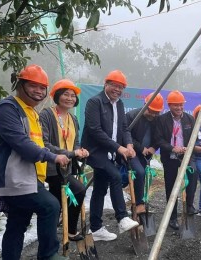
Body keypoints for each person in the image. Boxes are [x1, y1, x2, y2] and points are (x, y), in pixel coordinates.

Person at [0, 65, 70, 260]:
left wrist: (61, 154)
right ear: (19, 84)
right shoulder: (7, 109)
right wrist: (53, 157)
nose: (39, 91)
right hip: (13, 178)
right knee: (50, 206)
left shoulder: (32, 112)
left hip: (30, 177)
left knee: (17, 223)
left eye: (43, 88)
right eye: (33, 86)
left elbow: (39, 143)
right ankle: (48, 255)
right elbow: (22, 144)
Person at [81, 70, 139, 241]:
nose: (117, 89)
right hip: (95, 151)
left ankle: (96, 228)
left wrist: (128, 144)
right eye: (114, 85)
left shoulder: (119, 104)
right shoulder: (95, 102)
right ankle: (121, 218)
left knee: (99, 189)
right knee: (114, 176)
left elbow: (124, 128)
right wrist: (119, 148)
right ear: (106, 84)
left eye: (120, 87)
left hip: (111, 152)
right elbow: (94, 130)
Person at [39, 79, 90, 241]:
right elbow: (44, 143)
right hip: (51, 166)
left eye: (73, 95)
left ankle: (55, 233)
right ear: (57, 96)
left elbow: (75, 142)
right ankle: (68, 231)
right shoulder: (46, 115)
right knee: (79, 190)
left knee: (56, 200)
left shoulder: (72, 119)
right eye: (66, 94)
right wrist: (70, 153)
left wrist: (80, 151)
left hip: (66, 167)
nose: (70, 98)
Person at [154, 90, 198, 230]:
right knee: (171, 186)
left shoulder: (190, 119)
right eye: (175, 105)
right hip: (170, 157)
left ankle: (189, 205)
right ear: (169, 105)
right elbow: (158, 139)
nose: (179, 108)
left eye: (181, 105)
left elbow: (194, 137)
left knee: (193, 173)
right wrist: (172, 148)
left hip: (186, 155)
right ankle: (172, 217)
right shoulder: (162, 120)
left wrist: (187, 148)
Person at [126, 92, 164, 214]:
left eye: (156, 112)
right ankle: (138, 204)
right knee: (140, 172)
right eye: (151, 111)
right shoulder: (132, 116)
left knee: (145, 177)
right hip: (132, 152)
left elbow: (161, 136)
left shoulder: (158, 119)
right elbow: (126, 135)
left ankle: (139, 203)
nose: (153, 114)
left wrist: (154, 147)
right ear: (145, 105)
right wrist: (140, 148)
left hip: (146, 154)